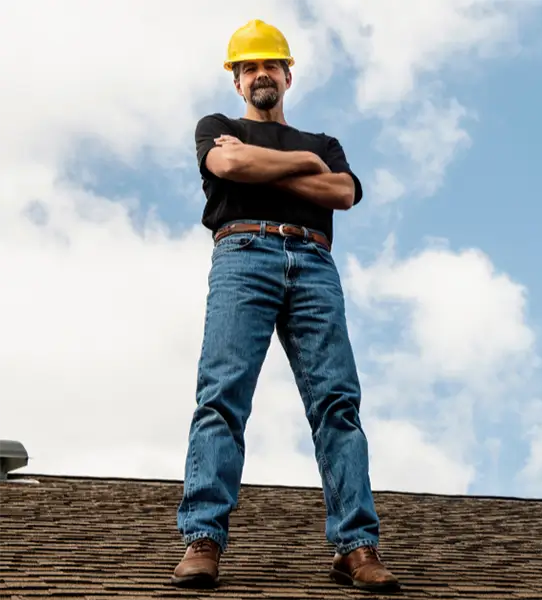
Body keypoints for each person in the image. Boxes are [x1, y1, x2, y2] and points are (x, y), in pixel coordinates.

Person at [170, 19, 400, 593]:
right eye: (249, 67)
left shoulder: (323, 143)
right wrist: (304, 168)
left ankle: (357, 548)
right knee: (221, 398)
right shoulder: (218, 129)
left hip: (314, 261)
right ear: (237, 81)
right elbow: (227, 167)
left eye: (270, 65)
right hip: (243, 253)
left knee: (337, 405)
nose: (260, 74)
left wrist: (270, 164)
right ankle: (203, 541)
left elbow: (343, 193)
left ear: (288, 74)